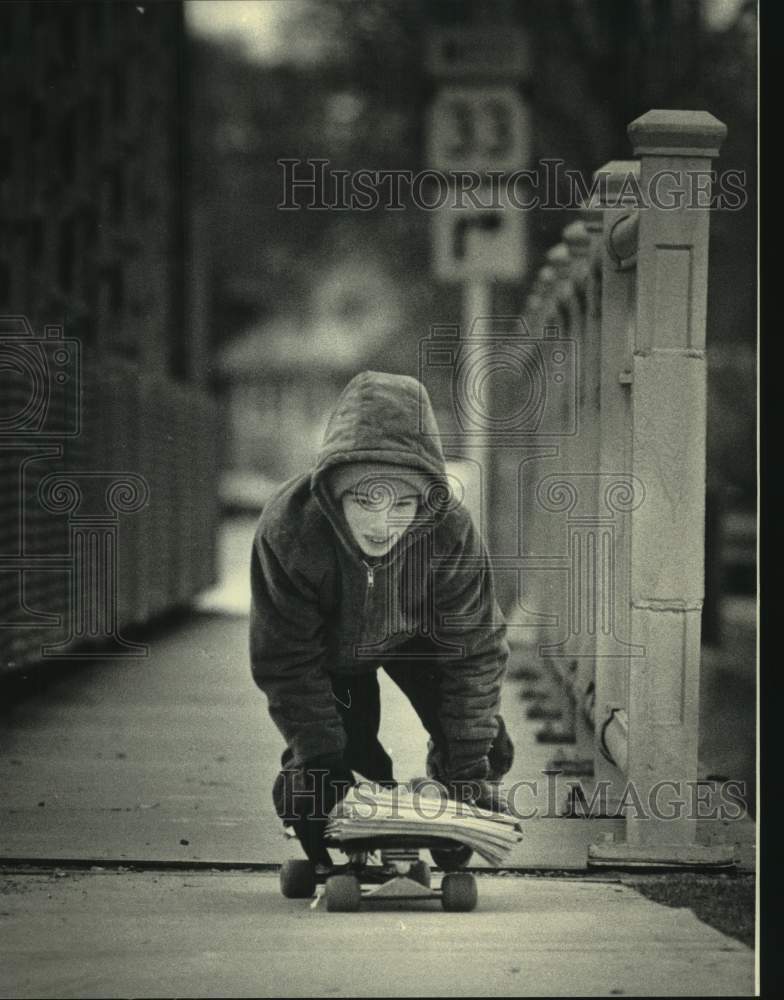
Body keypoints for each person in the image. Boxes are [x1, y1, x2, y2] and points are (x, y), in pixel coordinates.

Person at [249, 370, 513, 866]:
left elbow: (475, 654)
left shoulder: (450, 533)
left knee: (485, 750)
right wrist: (321, 759)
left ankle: (450, 793)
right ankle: (319, 795)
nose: (381, 523)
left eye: (403, 503)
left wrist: (467, 777)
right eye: (365, 499)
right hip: (330, 654)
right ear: (335, 492)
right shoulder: (290, 529)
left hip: (422, 639)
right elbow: (285, 660)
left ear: (424, 501)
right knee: (320, 786)